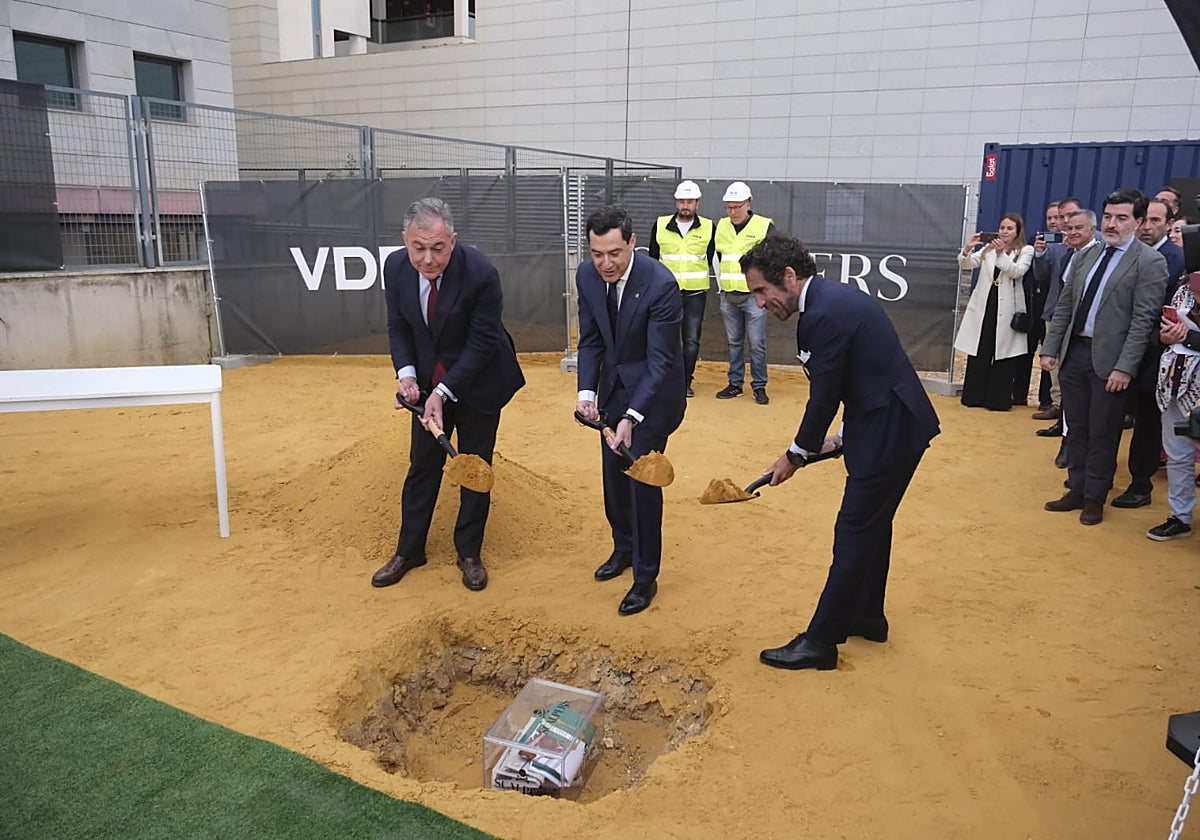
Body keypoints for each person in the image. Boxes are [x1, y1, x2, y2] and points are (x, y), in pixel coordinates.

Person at [742, 233, 940, 672]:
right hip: (891, 424)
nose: (759, 303)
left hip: (890, 431)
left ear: (789, 277)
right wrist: (840, 440)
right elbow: (862, 376)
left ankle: (821, 641)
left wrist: (794, 456)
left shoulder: (822, 315)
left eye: (761, 290)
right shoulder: (831, 301)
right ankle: (867, 614)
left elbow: (825, 398)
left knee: (853, 529)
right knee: (873, 524)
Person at [373, 198, 525, 591]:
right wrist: (408, 378)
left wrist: (443, 391)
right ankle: (410, 550)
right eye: (418, 247)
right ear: (404, 240)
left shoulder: (481, 274)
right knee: (422, 465)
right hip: (427, 381)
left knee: (474, 466)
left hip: (481, 380)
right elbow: (397, 326)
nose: (427, 259)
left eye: (437, 248)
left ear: (453, 240)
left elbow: (482, 342)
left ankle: (469, 553)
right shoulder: (394, 266)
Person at [575, 205, 686, 616]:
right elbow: (590, 340)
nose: (605, 263)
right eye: (597, 253)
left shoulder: (661, 285)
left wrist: (632, 416)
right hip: (613, 393)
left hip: (653, 399)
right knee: (613, 478)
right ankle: (623, 549)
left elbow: (661, 363)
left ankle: (645, 577)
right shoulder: (587, 276)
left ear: (633, 243)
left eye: (615, 253)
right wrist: (587, 394)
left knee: (642, 484)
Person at [1041, 188, 1169, 526]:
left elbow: (1144, 321)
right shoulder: (1087, 254)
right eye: (1109, 216)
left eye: (1121, 218)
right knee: (1077, 428)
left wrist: (1125, 368)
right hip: (1075, 355)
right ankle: (1077, 488)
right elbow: (1066, 305)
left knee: (1103, 431)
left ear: (1138, 222)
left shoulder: (1149, 261)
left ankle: (1095, 497)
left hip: (1111, 363)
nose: (1112, 224)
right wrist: (1051, 348)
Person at [1112, 198, 1187, 509]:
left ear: (1170, 224)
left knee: (1146, 420)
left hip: (1157, 354)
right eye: (1145, 220)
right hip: (1120, 348)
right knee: (1113, 414)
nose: (1148, 227)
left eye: (1157, 221)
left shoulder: (1179, 261)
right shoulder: (1123, 254)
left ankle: (1140, 484)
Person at [954, 213, 1035, 410]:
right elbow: (966, 264)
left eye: (1009, 229)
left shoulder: (1025, 250)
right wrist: (968, 247)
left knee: (1003, 353)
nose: (1004, 232)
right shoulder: (988, 249)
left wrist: (1001, 254)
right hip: (985, 304)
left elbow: (1017, 271)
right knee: (980, 348)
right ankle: (974, 396)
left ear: (1017, 232)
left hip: (1007, 307)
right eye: (1002, 228)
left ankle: (997, 400)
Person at [648, 180, 715, 398]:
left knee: (691, 341)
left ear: (697, 203)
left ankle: (685, 382)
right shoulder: (660, 225)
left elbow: (713, 256)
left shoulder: (708, 227)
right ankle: (664, 379)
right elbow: (653, 259)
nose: (685, 205)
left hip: (695, 294)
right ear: (676, 202)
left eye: (690, 201)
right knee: (664, 338)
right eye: (682, 201)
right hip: (666, 295)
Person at [1147, 278, 1200, 541]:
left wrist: (1189, 338)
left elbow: (1188, 334)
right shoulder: (1183, 286)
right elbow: (1164, 328)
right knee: (1177, 452)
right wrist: (1164, 336)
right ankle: (1180, 516)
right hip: (1174, 379)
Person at [714, 181, 775, 404]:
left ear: (748, 204)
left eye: (737, 206)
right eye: (729, 207)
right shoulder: (721, 226)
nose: (733, 211)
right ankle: (735, 384)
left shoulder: (764, 226)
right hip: (728, 295)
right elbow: (717, 256)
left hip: (754, 297)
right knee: (734, 342)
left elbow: (773, 260)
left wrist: (765, 291)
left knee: (757, 343)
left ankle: (759, 386)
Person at [1029, 202, 1071, 421]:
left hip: (1082, 317)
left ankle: (1072, 409)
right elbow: (1042, 277)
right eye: (1055, 218)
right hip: (1054, 311)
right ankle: (1057, 404)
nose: (1059, 222)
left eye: (1064, 217)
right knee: (1053, 362)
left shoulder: (1098, 242)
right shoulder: (1053, 246)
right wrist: (1040, 254)